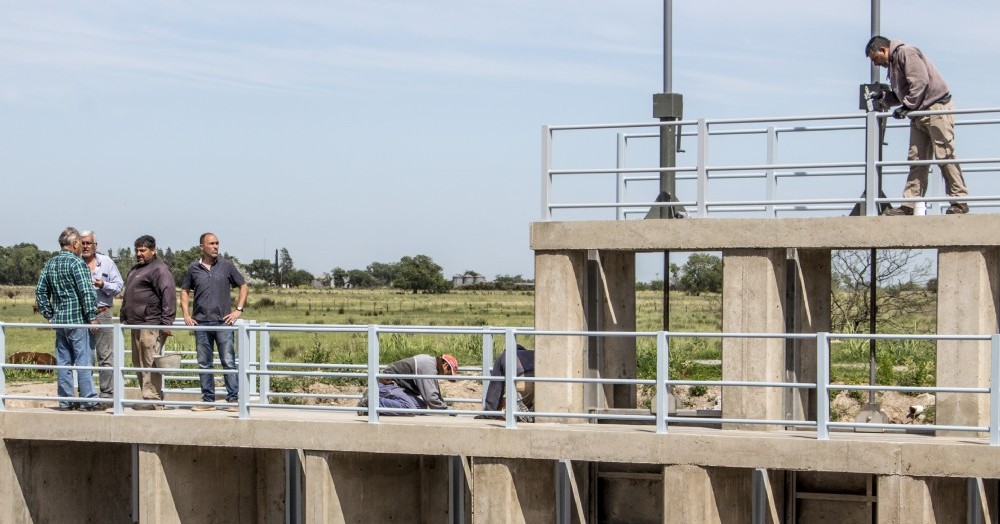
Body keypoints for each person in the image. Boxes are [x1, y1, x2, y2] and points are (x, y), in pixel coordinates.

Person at [865, 35, 970, 216]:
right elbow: (902, 94)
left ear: (883, 50)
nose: (876, 64)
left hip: (936, 108)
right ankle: (909, 205)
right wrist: (884, 97)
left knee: (945, 155)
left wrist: (907, 106)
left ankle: (959, 201)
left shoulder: (906, 52)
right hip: (919, 112)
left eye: (876, 58)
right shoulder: (894, 64)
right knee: (916, 160)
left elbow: (920, 81)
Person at [180, 232, 249, 412]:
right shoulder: (194, 268)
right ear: (201, 247)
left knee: (228, 361)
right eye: (211, 243)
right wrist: (186, 315)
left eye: (217, 243)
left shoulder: (226, 266)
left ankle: (233, 400)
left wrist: (238, 310)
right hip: (201, 323)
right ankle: (208, 400)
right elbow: (184, 290)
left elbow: (243, 285)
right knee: (204, 362)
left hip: (223, 322)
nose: (216, 246)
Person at [34, 227, 100, 411]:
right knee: (83, 361)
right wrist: (92, 317)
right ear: (75, 243)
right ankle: (88, 401)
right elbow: (86, 292)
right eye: (80, 243)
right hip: (78, 321)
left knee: (64, 362)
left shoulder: (51, 263)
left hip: (60, 321)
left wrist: (49, 314)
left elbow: (40, 291)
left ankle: (65, 401)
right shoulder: (77, 264)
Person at [120, 235, 176, 410]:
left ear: (153, 250)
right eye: (137, 250)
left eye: (143, 250)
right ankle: (146, 396)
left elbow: (168, 294)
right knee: (139, 363)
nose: (139, 253)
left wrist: (166, 323)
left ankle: (154, 399)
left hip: (150, 323)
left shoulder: (159, 269)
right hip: (136, 323)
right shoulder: (137, 269)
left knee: (150, 361)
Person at [80, 231, 124, 399]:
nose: (85, 246)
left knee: (105, 355)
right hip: (82, 316)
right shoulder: (76, 263)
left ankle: (107, 394)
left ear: (95, 245)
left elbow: (119, 285)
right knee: (85, 356)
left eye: (88, 243)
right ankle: (87, 394)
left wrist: (104, 284)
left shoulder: (106, 262)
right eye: (82, 243)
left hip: (102, 312)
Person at [357, 354, 458, 415]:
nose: (447, 375)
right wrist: (446, 409)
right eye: (448, 373)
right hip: (388, 384)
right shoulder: (428, 367)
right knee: (409, 408)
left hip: (398, 387)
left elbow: (434, 394)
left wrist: (444, 408)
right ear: (445, 365)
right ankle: (371, 401)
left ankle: (372, 408)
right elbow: (430, 398)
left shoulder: (432, 366)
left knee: (421, 407)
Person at [480, 345, 535, 419]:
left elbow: (495, 387)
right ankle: (527, 412)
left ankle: (514, 411)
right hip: (537, 383)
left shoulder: (505, 355)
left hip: (520, 383)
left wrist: (490, 412)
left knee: (507, 405)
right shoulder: (533, 353)